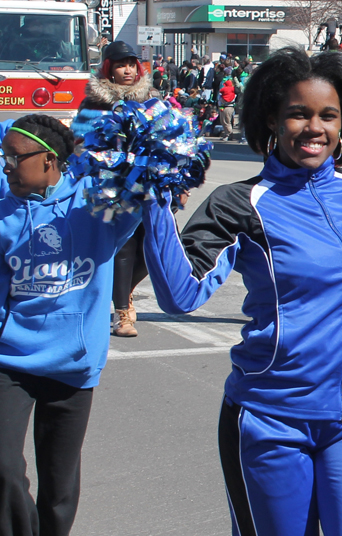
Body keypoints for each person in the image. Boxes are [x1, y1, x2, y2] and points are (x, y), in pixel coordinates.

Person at [140, 47, 342, 536]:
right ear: (271, 118)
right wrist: (154, 201)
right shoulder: (239, 204)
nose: (314, 128)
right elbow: (181, 296)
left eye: (327, 115)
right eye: (298, 114)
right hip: (271, 419)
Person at [0, 114, 139, 536]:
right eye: (3, 155)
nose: (5, 165)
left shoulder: (96, 204)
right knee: (3, 468)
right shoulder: (4, 209)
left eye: (13, 157)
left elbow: (145, 189)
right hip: (11, 361)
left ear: (48, 160)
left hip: (73, 363)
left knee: (59, 487)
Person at [71, 40, 159, 337]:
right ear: (108, 68)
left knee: (154, 247)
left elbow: (170, 139)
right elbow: (80, 145)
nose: (128, 70)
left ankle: (123, 289)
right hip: (110, 186)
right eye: (121, 64)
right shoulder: (95, 103)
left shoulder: (151, 97)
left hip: (151, 184)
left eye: (132, 64)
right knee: (126, 244)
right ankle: (123, 314)